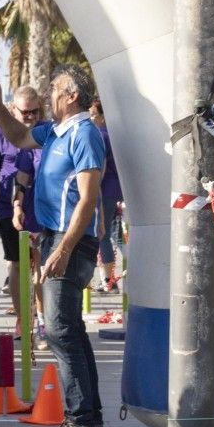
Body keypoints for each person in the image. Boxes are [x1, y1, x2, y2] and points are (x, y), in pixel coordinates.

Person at [0, 69, 109, 427]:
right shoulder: (55, 131)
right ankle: (91, 419)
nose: (47, 94)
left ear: (70, 96)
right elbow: (18, 136)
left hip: (72, 240)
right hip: (55, 237)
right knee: (67, 328)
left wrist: (64, 247)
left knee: (58, 329)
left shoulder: (84, 133)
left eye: (53, 89)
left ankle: (80, 422)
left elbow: (88, 198)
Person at [0, 86, 42, 324]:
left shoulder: (46, 132)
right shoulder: (0, 134)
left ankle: (43, 319)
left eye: (35, 111)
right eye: (25, 112)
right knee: (17, 265)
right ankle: (24, 320)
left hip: (43, 210)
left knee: (42, 267)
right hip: (10, 210)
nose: (30, 116)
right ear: (12, 109)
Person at [90, 99, 124, 293]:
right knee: (111, 234)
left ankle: (109, 280)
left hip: (103, 189)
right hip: (113, 188)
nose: (91, 118)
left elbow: (99, 167)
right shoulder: (112, 135)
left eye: (94, 114)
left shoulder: (101, 136)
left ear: (103, 116)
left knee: (101, 233)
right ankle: (109, 279)